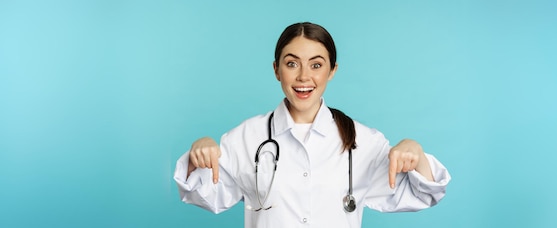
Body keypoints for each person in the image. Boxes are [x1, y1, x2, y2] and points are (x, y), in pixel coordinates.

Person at [173, 22, 451, 227]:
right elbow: (206, 195)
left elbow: (422, 194)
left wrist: (415, 153)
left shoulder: (364, 142)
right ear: (276, 70)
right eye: (292, 64)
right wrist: (198, 155)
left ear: (332, 71)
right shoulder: (246, 138)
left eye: (316, 65)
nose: (304, 76)